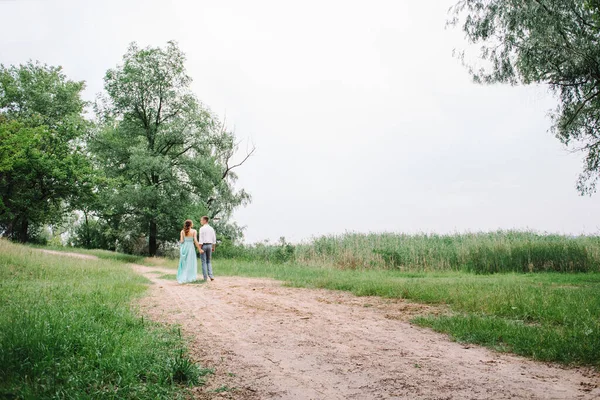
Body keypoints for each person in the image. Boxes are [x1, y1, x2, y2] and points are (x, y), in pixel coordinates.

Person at [177, 219, 203, 284]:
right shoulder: (194, 231)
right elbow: (195, 241)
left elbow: (182, 241)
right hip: (191, 247)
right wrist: (199, 249)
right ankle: (190, 277)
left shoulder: (182, 231)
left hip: (184, 247)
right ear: (191, 224)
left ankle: (183, 277)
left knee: (184, 263)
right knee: (190, 262)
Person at [199, 216, 217, 281]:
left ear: (205, 221)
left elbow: (201, 239)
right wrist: (213, 247)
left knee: (203, 262)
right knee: (209, 261)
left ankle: (205, 277)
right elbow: (214, 239)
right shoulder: (211, 229)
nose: (200, 221)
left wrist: (199, 248)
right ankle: (211, 275)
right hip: (210, 245)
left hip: (203, 245)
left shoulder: (201, 228)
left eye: (201, 220)